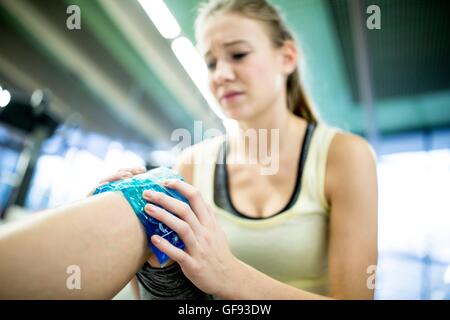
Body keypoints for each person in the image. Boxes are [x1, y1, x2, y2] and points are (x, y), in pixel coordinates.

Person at [113, 0, 378, 300]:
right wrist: (127, 237)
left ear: (287, 58)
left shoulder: (344, 155)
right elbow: (159, 290)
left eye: (238, 55)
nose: (221, 74)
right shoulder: (192, 163)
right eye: (211, 63)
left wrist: (231, 277)